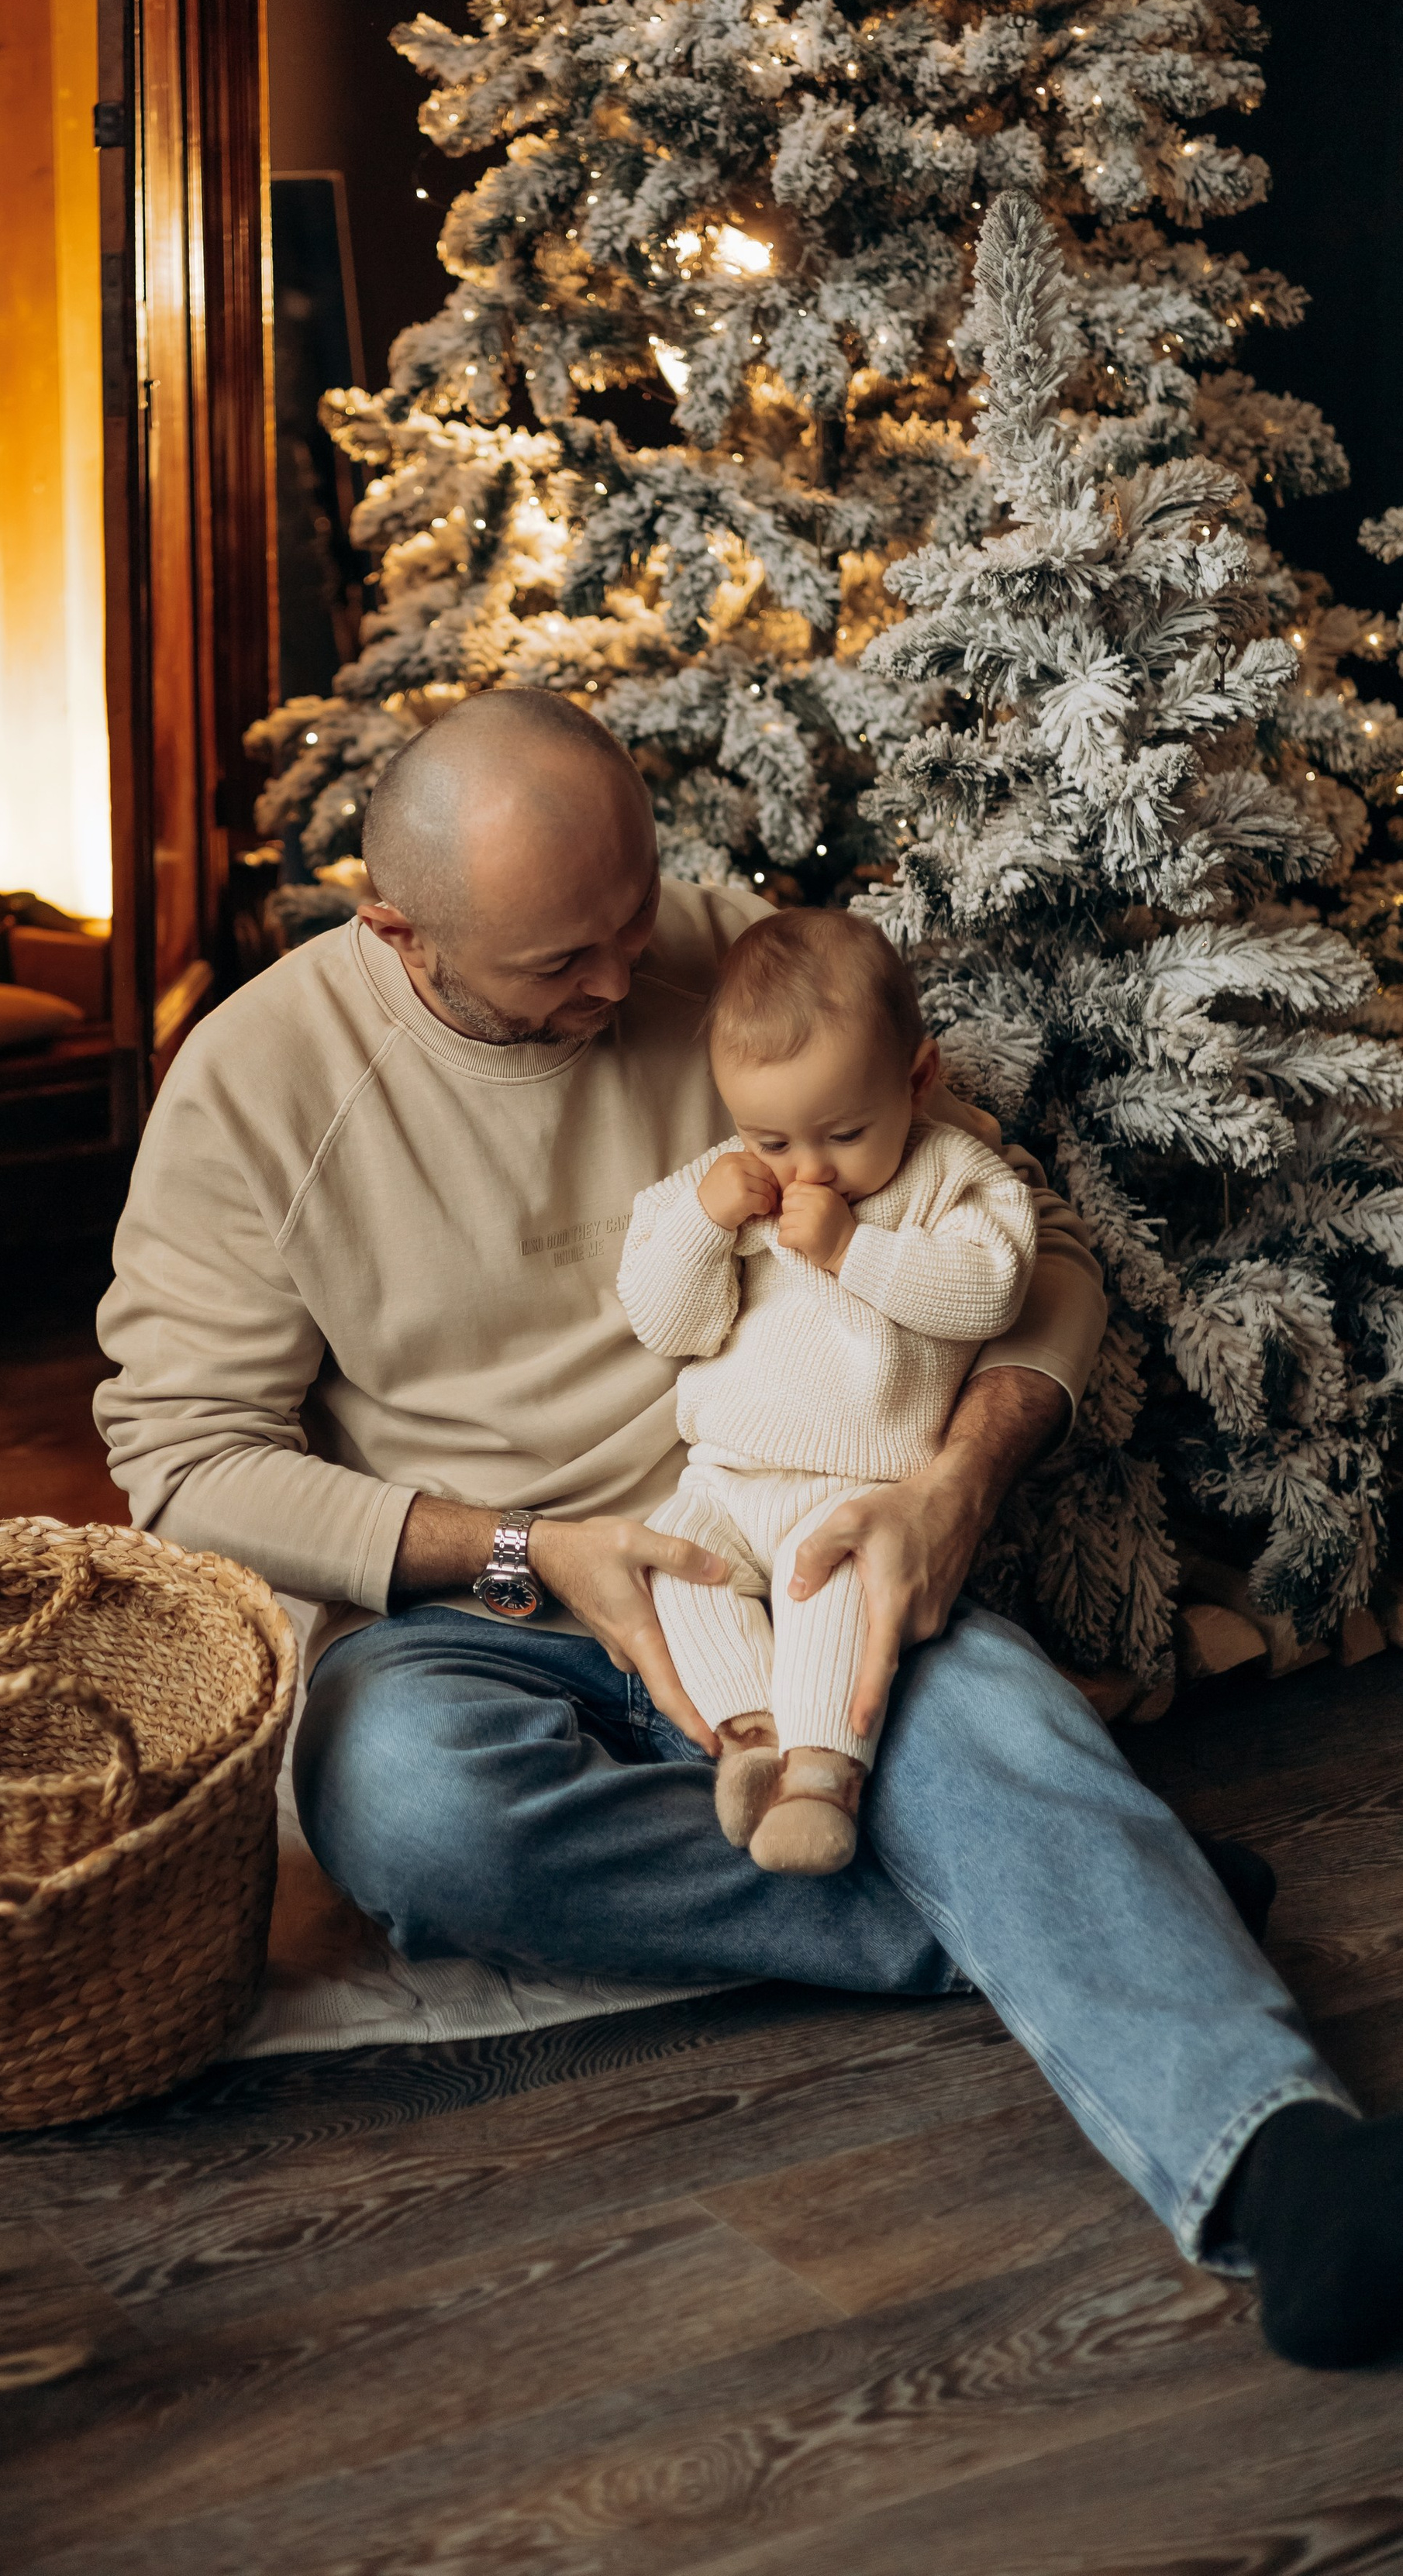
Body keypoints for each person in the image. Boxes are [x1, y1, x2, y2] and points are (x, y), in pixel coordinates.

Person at [96, 688, 1403, 2370]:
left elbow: (1037, 1259)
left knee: (977, 1708)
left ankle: (1282, 2171)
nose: (615, 981)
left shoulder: (742, 973)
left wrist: (953, 1489)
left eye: (632, 918)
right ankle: (1034, 1908)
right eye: (559, 962)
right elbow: (183, 1463)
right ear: (396, 932)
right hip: (478, 1601)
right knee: (396, 1803)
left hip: (790, 1545)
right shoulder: (257, 1087)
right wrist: (528, 1553)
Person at [619, 906, 1036, 1869]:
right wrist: (702, 1226)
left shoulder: (949, 1176)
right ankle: (749, 1741)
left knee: (832, 1598)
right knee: (676, 1568)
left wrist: (854, 1250)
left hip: (857, 1489)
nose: (807, 1169)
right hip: (724, 1476)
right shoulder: (717, 1185)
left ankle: (821, 1776)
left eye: (844, 1133)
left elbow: (990, 1291)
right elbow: (666, 1323)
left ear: (916, 1076)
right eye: (769, 1139)